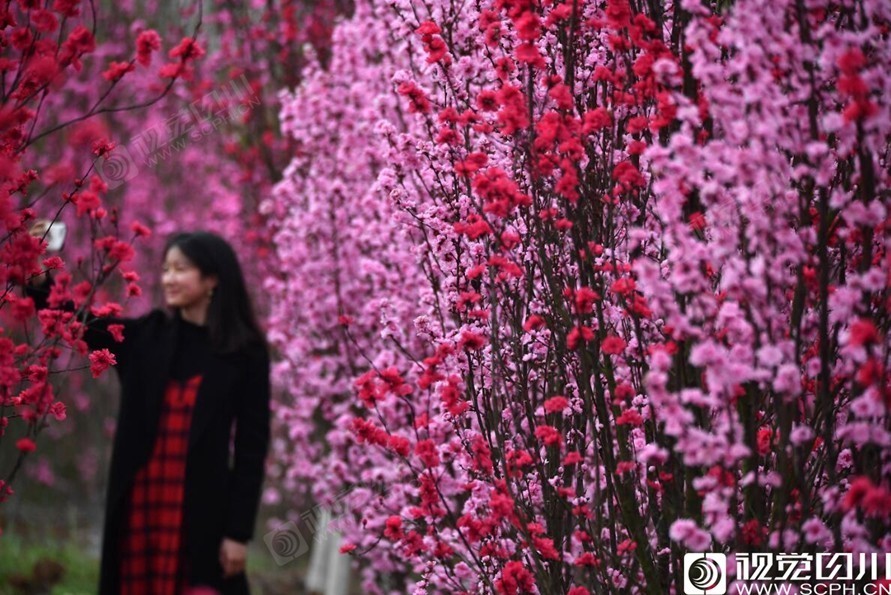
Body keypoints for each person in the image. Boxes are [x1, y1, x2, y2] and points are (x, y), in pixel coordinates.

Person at [25, 223, 271, 595]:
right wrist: (42, 278)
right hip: (139, 503)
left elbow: (252, 450)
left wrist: (238, 533)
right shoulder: (146, 337)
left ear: (213, 280)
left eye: (181, 269)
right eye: (167, 268)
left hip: (201, 511)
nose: (169, 278)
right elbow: (76, 324)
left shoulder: (244, 354)